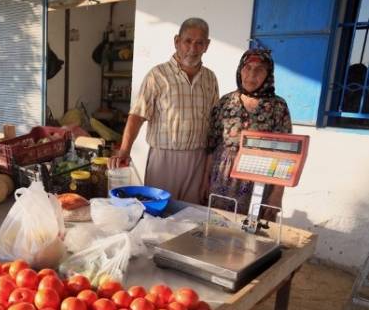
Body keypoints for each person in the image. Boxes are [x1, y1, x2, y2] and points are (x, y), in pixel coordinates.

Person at [108, 18, 219, 204]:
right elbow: (137, 115)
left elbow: (214, 121)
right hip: (164, 159)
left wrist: (210, 165)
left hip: (198, 159)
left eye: (200, 42)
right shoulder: (157, 75)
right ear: (177, 41)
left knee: (191, 216)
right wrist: (124, 151)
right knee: (158, 214)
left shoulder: (210, 78)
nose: (193, 48)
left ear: (207, 45)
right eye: (188, 41)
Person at [204, 48, 292, 220]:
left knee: (252, 233)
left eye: (259, 69)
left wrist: (277, 194)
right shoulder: (226, 102)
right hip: (222, 177)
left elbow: (285, 154)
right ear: (240, 70)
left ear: (268, 74)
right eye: (247, 68)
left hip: (259, 178)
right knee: (218, 226)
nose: (252, 74)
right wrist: (204, 181)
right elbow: (211, 144)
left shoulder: (278, 107)